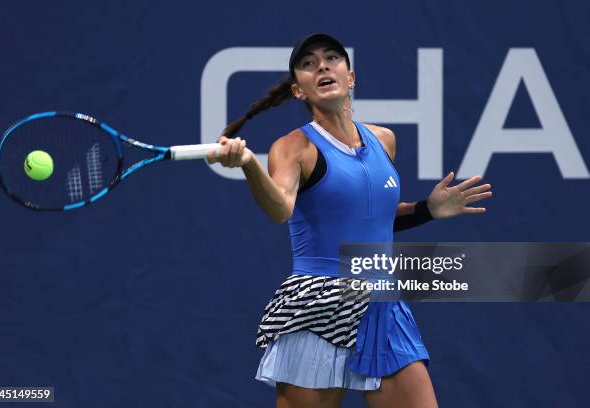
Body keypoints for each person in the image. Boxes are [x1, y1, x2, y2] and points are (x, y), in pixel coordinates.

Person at [207, 33, 492, 408]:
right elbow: (280, 208)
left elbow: (371, 219)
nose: (322, 65)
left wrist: (428, 209)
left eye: (331, 58)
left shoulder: (383, 140)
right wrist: (248, 165)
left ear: (350, 77)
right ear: (298, 91)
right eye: (308, 63)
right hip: (318, 305)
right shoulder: (294, 147)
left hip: (381, 304)